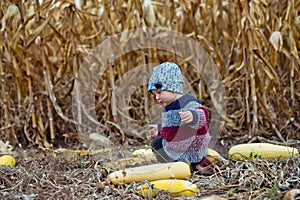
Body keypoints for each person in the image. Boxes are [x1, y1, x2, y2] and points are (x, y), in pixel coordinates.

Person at [148, 62, 214, 174]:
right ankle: (171, 166)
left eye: (159, 92)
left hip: (192, 146)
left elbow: (203, 115)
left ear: (173, 88)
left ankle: (192, 165)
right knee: (157, 143)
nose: (157, 98)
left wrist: (193, 116)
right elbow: (173, 128)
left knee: (158, 144)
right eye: (155, 94)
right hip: (177, 145)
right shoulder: (169, 106)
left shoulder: (187, 102)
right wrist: (159, 129)